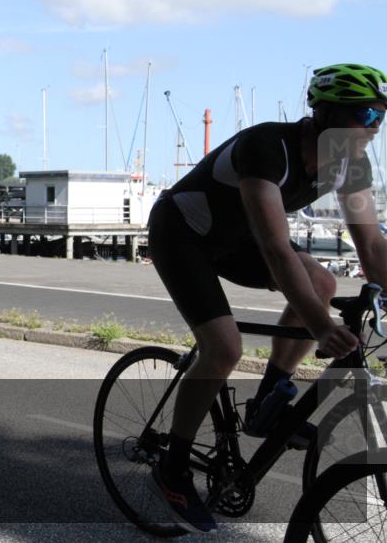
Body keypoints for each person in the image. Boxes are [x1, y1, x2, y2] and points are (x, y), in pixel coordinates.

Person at [146, 63, 387, 533]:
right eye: (365, 115)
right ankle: (173, 469)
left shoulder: (349, 164)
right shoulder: (268, 147)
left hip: (238, 241)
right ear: (327, 113)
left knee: (322, 283)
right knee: (224, 348)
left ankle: (265, 406)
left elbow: (374, 248)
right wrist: (321, 326)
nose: (375, 127)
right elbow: (277, 250)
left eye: (381, 117)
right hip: (183, 234)